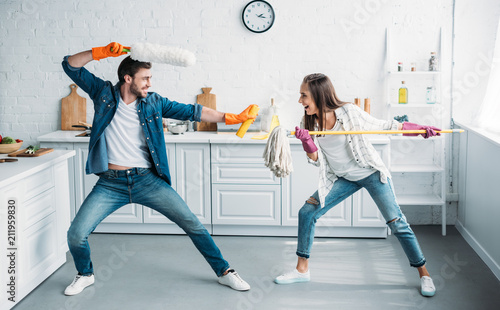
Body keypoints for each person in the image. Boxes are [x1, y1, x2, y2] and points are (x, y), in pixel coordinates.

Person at [61, 42, 255, 296]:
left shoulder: (153, 102)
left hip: (147, 181)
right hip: (110, 183)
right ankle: (85, 274)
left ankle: (224, 272)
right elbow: (70, 65)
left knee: (193, 225)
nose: (149, 84)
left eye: (150, 78)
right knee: (76, 234)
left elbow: (192, 112)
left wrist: (230, 117)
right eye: (145, 78)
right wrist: (99, 53)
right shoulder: (103, 94)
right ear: (127, 78)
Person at [274, 73, 439, 297]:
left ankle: (424, 274)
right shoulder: (308, 120)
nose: (300, 101)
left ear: (319, 95)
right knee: (307, 212)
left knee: (397, 223)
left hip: (370, 172)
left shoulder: (348, 112)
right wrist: (306, 140)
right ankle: (302, 270)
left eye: (304, 95)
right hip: (340, 178)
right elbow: (315, 159)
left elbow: (385, 125)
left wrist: (419, 130)